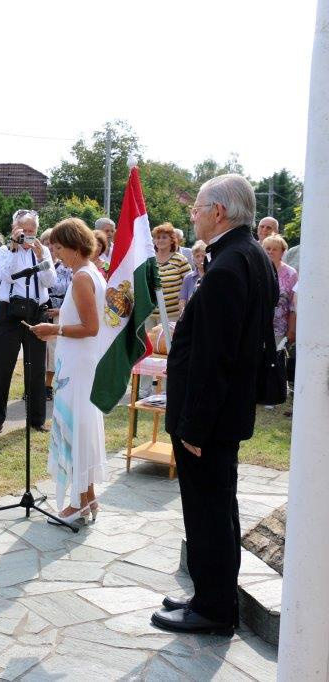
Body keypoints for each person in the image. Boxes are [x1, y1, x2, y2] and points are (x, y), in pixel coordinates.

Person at [152, 174, 277, 636]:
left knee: (208, 510)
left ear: (219, 212)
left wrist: (194, 427)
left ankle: (214, 609)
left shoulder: (228, 266)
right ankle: (212, 592)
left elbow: (216, 357)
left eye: (198, 208)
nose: (194, 215)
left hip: (210, 420)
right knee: (218, 508)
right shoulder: (247, 256)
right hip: (223, 414)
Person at [29, 218, 106, 523]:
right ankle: (87, 498)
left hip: (78, 365)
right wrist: (63, 313)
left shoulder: (82, 278)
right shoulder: (89, 273)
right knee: (78, 429)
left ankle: (78, 503)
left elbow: (91, 326)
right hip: (75, 361)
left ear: (74, 245)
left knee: (76, 430)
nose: (56, 253)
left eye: (59, 247)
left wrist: (55, 328)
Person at [0, 209, 56, 434]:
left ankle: (37, 419)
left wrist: (40, 256)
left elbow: (50, 280)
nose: (28, 235)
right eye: (24, 230)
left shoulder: (43, 250)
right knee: (2, 365)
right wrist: (15, 248)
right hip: (8, 311)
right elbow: (6, 276)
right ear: (14, 230)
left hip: (36, 311)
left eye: (32, 231)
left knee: (36, 367)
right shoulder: (4, 250)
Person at [41, 228, 72, 401]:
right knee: (38, 352)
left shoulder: (67, 268)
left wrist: (61, 310)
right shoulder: (38, 265)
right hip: (40, 312)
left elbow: (72, 292)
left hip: (59, 312)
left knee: (53, 352)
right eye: (47, 244)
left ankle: (47, 386)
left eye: (55, 245)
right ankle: (33, 385)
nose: (51, 249)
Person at [152, 222, 192, 323]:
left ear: (172, 240)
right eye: (157, 237)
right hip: (150, 314)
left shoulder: (180, 259)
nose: (160, 240)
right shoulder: (149, 260)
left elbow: (190, 285)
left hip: (173, 315)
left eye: (164, 237)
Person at [263, 235, 297, 347]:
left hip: (280, 330)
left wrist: (291, 330)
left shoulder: (291, 274)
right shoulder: (256, 270)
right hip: (256, 328)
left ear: (282, 252)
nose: (270, 252)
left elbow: (294, 305)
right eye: (267, 248)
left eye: (274, 249)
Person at [179, 240, 208, 305]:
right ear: (193, 259)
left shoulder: (213, 275)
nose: (201, 259)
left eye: (203, 256)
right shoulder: (188, 277)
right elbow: (182, 300)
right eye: (197, 256)